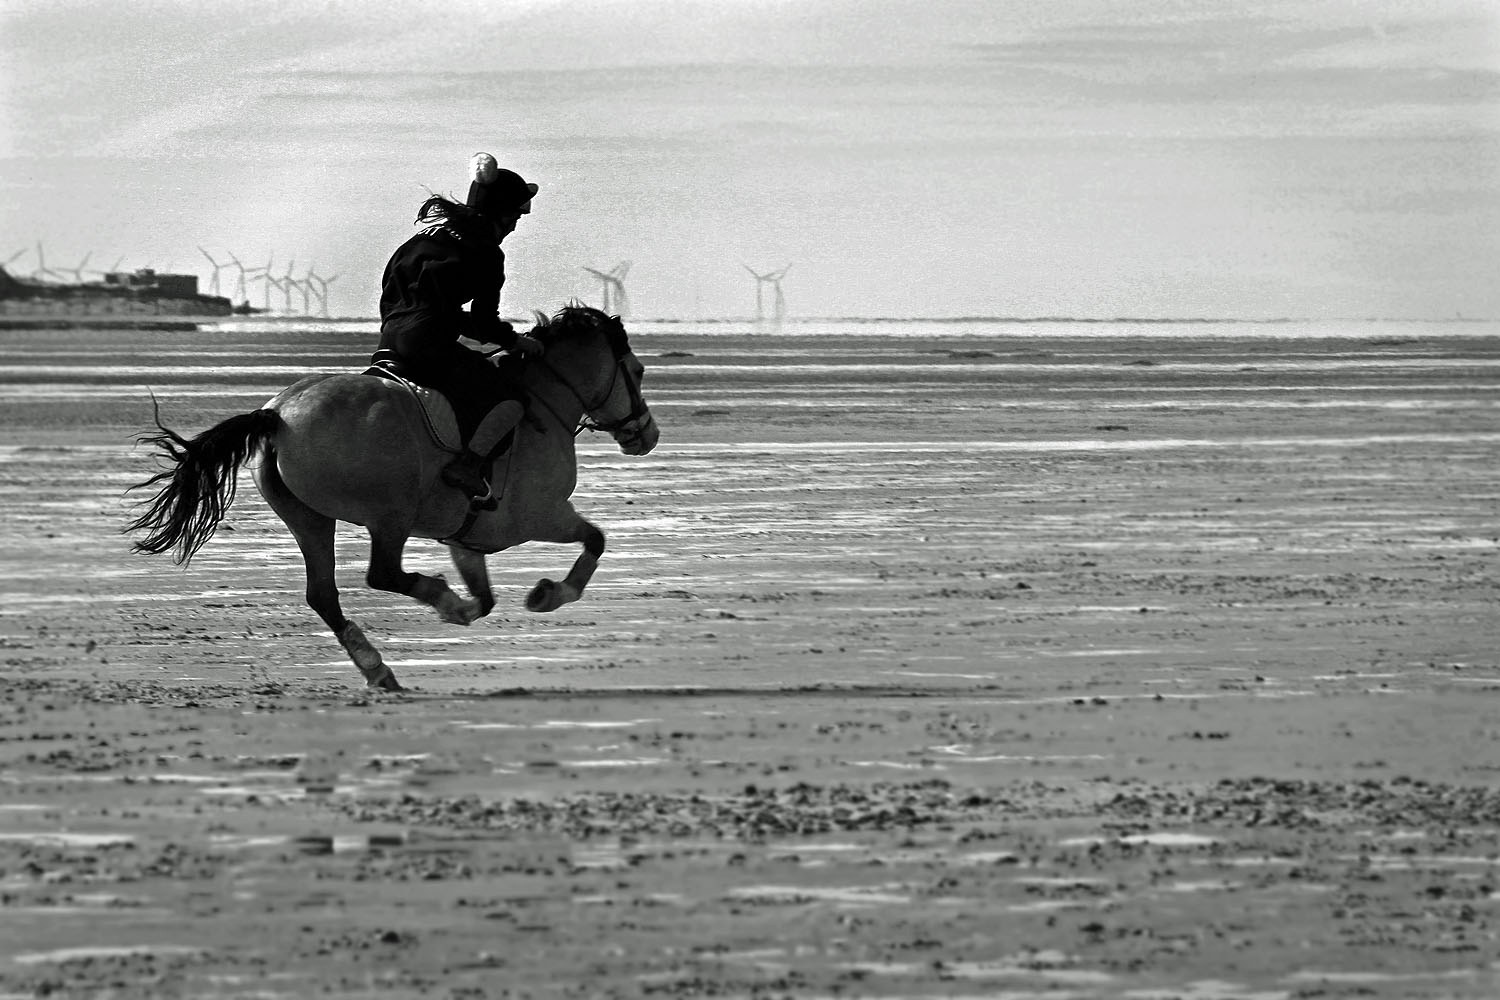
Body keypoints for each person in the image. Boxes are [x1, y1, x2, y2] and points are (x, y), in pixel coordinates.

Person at [375, 152, 545, 500]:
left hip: (389, 340)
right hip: (429, 346)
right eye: (514, 215)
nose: (515, 225)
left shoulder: (419, 242)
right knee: (511, 400)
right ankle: (468, 466)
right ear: (498, 213)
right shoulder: (485, 252)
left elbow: (399, 301)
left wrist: (449, 323)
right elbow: (483, 321)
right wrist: (515, 342)